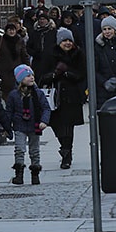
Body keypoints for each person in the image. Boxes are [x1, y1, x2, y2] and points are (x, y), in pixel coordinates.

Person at [41, 28, 86, 169]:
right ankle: (64, 147)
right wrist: (54, 74)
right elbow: (42, 74)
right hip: (55, 96)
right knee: (56, 125)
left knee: (68, 126)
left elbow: (83, 73)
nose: (67, 43)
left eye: (69, 41)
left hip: (72, 96)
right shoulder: (50, 54)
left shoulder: (78, 54)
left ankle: (67, 154)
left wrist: (67, 74)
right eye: (64, 41)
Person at [6, 65, 51, 185]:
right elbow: (9, 111)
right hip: (19, 125)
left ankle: (35, 174)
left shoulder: (38, 93)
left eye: (32, 75)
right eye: (28, 76)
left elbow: (46, 108)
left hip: (34, 125)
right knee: (19, 149)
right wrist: (7, 126)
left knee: (34, 150)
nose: (31, 78)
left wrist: (44, 121)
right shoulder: (13, 95)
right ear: (20, 79)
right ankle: (19, 174)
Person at [0, 21, 30, 101]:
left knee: (17, 91)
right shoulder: (1, 41)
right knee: (6, 92)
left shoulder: (19, 40)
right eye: (9, 30)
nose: (11, 31)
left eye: (13, 30)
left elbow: (24, 55)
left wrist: (27, 67)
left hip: (17, 70)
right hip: (4, 70)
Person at [26, 9, 57, 82]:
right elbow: (28, 47)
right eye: (40, 19)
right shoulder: (35, 33)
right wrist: (35, 54)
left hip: (51, 62)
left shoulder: (53, 32)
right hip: (38, 62)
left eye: (44, 19)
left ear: (47, 21)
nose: (42, 21)